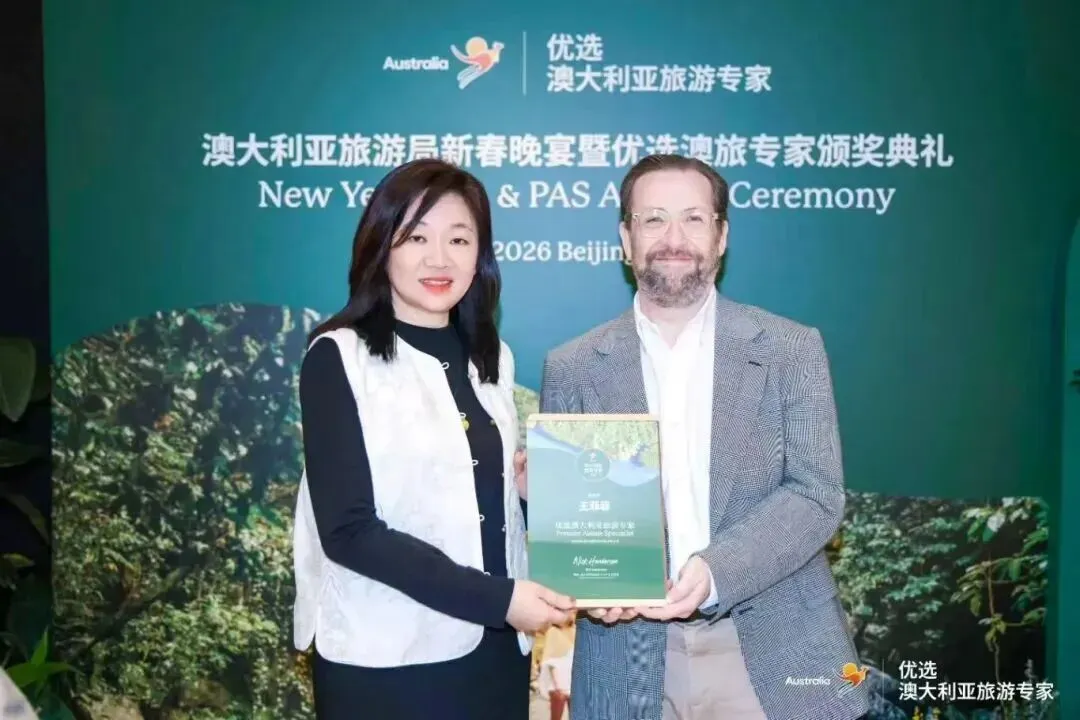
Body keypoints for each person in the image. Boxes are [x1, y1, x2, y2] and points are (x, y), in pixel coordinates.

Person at [533, 154, 870, 720]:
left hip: (769, 645)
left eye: (693, 218)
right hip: (625, 659)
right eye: (653, 219)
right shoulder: (573, 367)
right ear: (626, 239)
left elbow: (817, 494)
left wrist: (717, 570)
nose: (674, 238)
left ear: (721, 237)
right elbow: (575, 522)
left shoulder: (790, 349)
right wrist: (595, 589)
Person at [292, 158, 575, 720]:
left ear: (480, 255)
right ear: (381, 246)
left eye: (459, 239)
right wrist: (499, 599)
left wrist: (521, 493)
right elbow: (348, 530)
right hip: (388, 660)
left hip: (495, 654)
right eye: (416, 237)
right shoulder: (339, 357)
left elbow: (471, 501)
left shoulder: (491, 357)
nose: (439, 258)